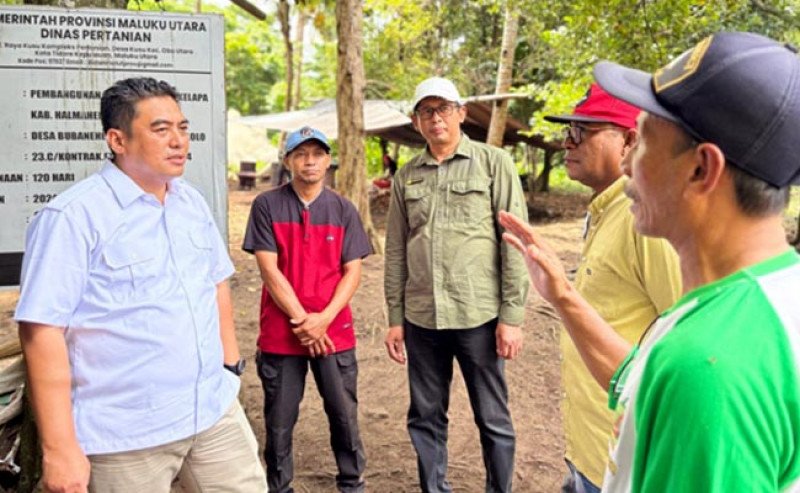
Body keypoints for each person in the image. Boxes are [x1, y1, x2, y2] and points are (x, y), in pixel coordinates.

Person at [500, 32, 800, 491]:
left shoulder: (705, 369)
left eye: (642, 144)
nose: (627, 166)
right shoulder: (767, 296)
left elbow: (693, 379)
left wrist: (673, 404)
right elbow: (651, 373)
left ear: (701, 169)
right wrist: (646, 404)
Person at [14, 77, 267, 492]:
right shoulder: (73, 218)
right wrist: (59, 449)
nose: (178, 141)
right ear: (117, 139)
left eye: (182, 128)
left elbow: (216, 282)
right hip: (125, 435)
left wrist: (229, 366)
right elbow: (41, 329)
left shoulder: (191, 202)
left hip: (211, 410)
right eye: (160, 129)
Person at [383, 77, 529, 493]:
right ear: (416, 121)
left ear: (461, 113)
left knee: (492, 417)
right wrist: (395, 317)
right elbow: (396, 250)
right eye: (426, 111)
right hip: (423, 317)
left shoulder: (493, 163)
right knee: (426, 415)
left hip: (478, 315)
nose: (436, 119)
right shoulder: (407, 176)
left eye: (443, 108)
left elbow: (513, 241)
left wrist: (512, 316)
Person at [543, 84, 681, 492]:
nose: (567, 141)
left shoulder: (646, 221)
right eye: (568, 130)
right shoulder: (606, 210)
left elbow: (684, 332)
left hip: (624, 457)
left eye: (584, 130)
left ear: (630, 140)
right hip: (589, 446)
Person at [242, 126, 371, 493]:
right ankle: (279, 487)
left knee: (344, 415)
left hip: (334, 333)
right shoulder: (267, 205)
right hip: (283, 335)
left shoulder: (344, 209)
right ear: (288, 161)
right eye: (300, 154)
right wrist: (304, 322)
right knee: (280, 421)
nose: (309, 161)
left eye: (317, 154)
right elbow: (269, 269)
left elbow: (353, 271)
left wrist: (323, 320)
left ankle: (352, 483)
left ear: (328, 160)